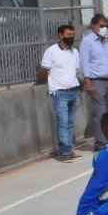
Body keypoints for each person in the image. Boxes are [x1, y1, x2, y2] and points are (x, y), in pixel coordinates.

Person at [38, 24, 83, 162]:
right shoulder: (51, 52)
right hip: (59, 92)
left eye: (73, 34)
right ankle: (64, 152)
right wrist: (52, 85)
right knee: (62, 122)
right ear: (60, 35)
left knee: (70, 122)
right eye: (69, 35)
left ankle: (69, 148)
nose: (72, 37)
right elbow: (43, 71)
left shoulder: (74, 52)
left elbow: (75, 70)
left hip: (73, 90)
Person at [79, 14, 108, 152]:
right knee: (100, 112)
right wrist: (88, 81)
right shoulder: (88, 41)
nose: (104, 28)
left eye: (106, 26)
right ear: (94, 26)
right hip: (97, 80)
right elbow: (84, 62)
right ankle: (100, 142)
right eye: (101, 25)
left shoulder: (104, 40)